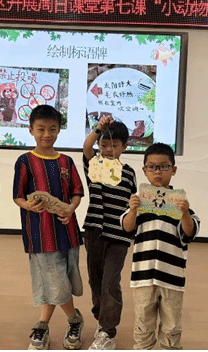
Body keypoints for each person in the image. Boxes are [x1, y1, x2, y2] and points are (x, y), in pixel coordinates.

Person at [12, 104, 86, 350]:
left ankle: (43, 325)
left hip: (68, 231)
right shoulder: (25, 161)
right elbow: (17, 196)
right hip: (40, 234)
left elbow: (77, 191)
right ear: (31, 130)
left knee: (59, 279)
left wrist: (71, 208)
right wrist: (28, 206)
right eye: (41, 129)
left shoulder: (66, 161)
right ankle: (72, 319)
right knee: (55, 280)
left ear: (59, 130)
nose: (47, 134)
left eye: (52, 129)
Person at [121, 142, 200, 350]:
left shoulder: (179, 203)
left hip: (172, 277)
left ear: (173, 170)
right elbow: (127, 228)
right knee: (143, 324)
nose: (158, 172)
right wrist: (132, 210)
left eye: (164, 166)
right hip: (143, 276)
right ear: (144, 171)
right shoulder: (139, 203)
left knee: (171, 326)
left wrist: (185, 213)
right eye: (152, 167)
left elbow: (189, 232)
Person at [82, 116, 138, 350]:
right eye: (103, 145)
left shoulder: (129, 173)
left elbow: (132, 204)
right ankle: (101, 319)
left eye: (114, 145)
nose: (108, 150)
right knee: (95, 281)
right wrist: (98, 128)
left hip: (118, 236)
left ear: (124, 147)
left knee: (110, 282)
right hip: (94, 231)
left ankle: (107, 331)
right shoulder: (94, 165)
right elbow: (86, 147)